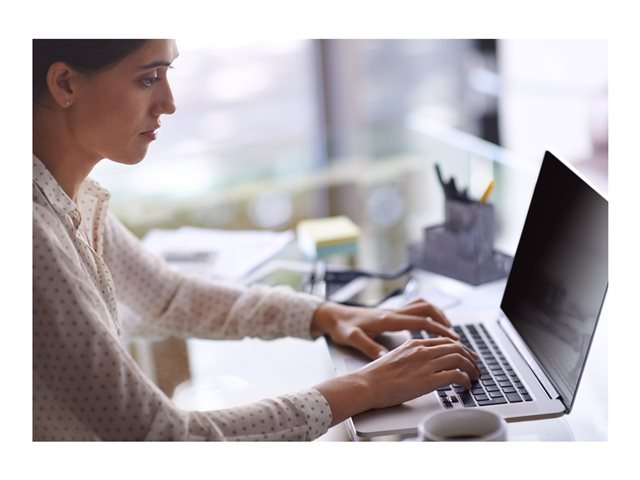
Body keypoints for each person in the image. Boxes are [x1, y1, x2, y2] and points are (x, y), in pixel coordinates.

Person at [32, 39, 479, 441]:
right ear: (65, 83)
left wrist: (327, 314)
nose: (169, 103)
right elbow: (165, 437)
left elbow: (166, 297)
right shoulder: (33, 235)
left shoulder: (72, 195)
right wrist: (366, 386)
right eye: (148, 78)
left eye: (168, 73)